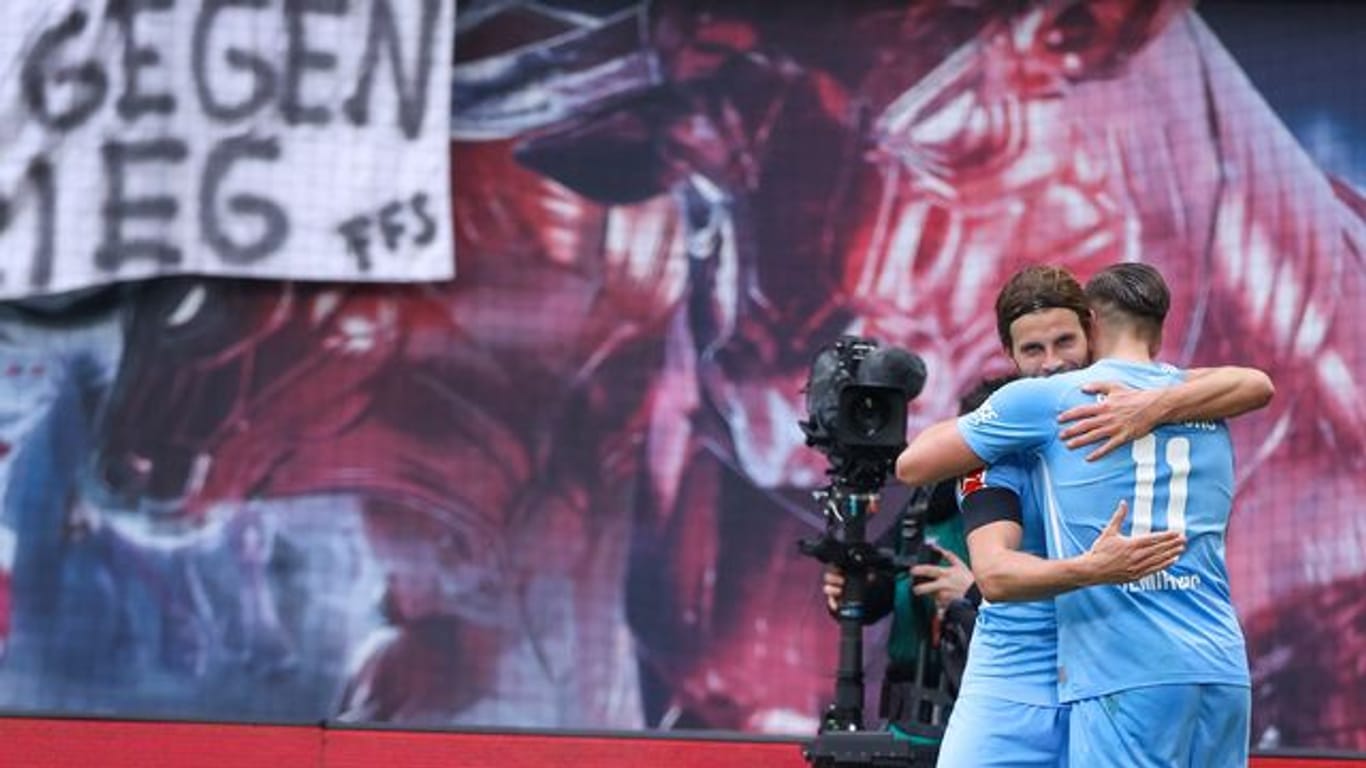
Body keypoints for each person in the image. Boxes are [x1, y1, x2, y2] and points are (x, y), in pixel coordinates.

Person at [897, 263, 1269, 767]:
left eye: (1064, 342)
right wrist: (1092, 569)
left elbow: (1251, 384)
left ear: (1092, 331)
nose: (1052, 363)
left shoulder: (1125, 400)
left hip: (1112, 671)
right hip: (1017, 682)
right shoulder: (1007, 439)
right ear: (1008, 356)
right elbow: (987, 561)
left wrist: (1154, 406)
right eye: (1032, 350)